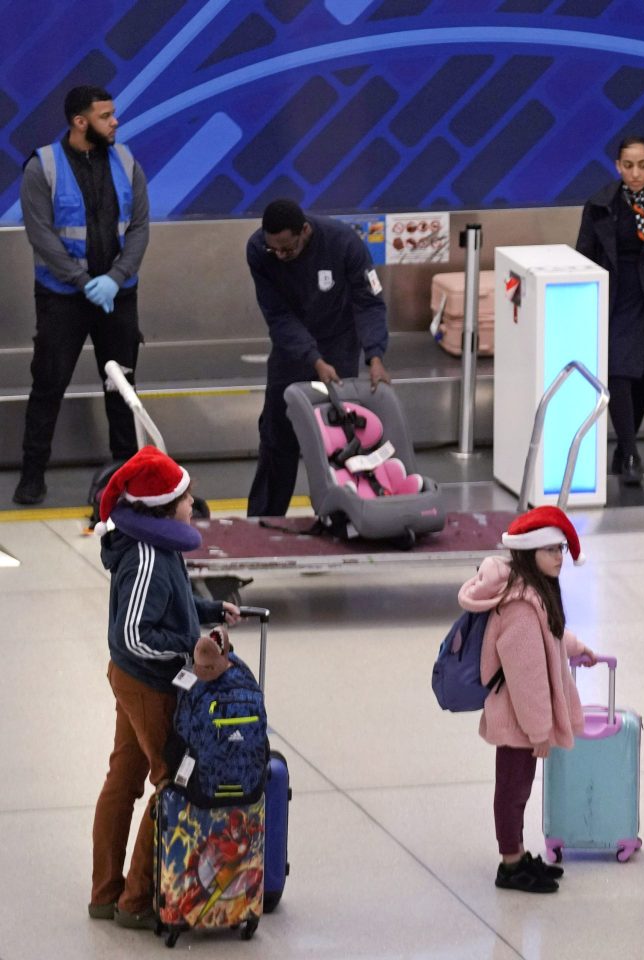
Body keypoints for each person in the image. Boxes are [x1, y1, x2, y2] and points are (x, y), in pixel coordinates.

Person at [91, 446, 239, 928]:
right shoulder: (146, 557)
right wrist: (189, 648)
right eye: (185, 496)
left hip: (135, 679)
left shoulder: (160, 546)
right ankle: (134, 901)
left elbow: (170, 606)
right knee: (172, 781)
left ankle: (104, 893)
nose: (193, 502)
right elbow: (133, 635)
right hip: (147, 684)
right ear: (162, 505)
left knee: (123, 780)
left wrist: (210, 612)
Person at [14, 85, 150, 505]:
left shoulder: (126, 162)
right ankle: (32, 475)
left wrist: (115, 277)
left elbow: (139, 228)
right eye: (105, 116)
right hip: (62, 299)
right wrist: (81, 280)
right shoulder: (42, 167)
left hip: (117, 296)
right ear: (80, 122)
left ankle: (126, 477)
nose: (115, 122)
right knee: (48, 384)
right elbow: (41, 234)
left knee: (122, 387)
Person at [457, 506, 598, 894]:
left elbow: (549, 637)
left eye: (561, 549)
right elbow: (527, 678)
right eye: (550, 550)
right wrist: (539, 731)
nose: (559, 557)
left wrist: (577, 647)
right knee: (512, 791)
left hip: (522, 716)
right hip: (517, 717)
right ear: (529, 552)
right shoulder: (520, 605)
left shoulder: (533, 592)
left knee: (518, 788)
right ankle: (510, 864)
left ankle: (517, 854)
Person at [245, 198, 391, 516]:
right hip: (291, 348)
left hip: (339, 344)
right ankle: (263, 520)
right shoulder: (258, 250)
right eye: (274, 249)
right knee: (276, 436)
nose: (280, 256)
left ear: (305, 231)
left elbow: (368, 302)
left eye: (287, 249)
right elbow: (278, 315)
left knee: (339, 438)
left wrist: (375, 356)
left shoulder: (344, 243)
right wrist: (313, 359)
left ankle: (340, 516)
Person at [575, 136, 644, 486]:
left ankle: (624, 448)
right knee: (618, 371)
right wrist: (585, 309)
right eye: (628, 166)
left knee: (642, 377)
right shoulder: (600, 206)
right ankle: (632, 452)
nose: (635, 173)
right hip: (613, 298)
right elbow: (583, 257)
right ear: (617, 167)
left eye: (642, 166)